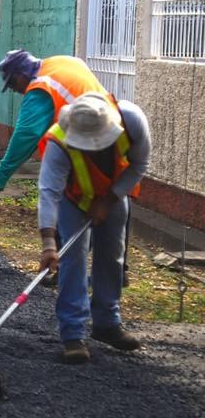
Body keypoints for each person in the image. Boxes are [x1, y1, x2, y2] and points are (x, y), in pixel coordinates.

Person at [37, 92, 150, 364]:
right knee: (73, 258)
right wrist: (49, 245)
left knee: (112, 256)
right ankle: (72, 334)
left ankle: (107, 324)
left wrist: (109, 200)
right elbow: (49, 193)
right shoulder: (58, 141)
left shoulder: (132, 121)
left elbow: (139, 164)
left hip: (113, 194)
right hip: (74, 200)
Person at [0, 50, 109, 200]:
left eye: (12, 82)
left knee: (69, 204)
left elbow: (25, 135)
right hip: (111, 137)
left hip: (89, 152)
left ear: (22, 74)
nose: (13, 89)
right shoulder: (63, 61)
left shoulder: (40, 88)